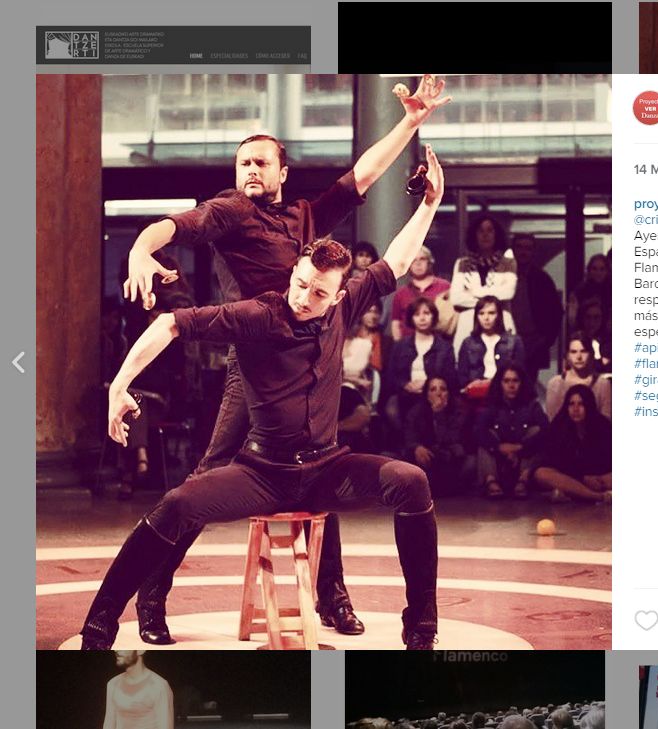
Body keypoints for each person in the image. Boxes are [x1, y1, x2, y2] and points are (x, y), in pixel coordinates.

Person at [118, 74, 451, 643]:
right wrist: (138, 250)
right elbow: (174, 225)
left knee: (320, 460)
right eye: (243, 163)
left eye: (261, 163)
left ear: (282, 172)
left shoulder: (304, 219)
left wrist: (411, 123)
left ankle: (334, 600)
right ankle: (153, 595)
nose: (250, 170)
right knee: (202, 482)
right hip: (251, 370)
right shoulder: (229, 212)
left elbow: (363, 174)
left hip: (305, 362)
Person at [476, 364, 547, 499]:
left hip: (523, 458)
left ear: (521, 383)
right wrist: (498, 447)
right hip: (498, 459)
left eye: (515, 381)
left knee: (535, 430)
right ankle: (491, 482)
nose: (511, 385)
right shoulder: (493, 404)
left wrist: (520, 448)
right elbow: (479, 430)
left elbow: (546, 430)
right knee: (486, 435)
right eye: (507, 381)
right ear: (500, 383)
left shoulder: (532, 405)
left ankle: (523, 481)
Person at [383, 296, 456, 427]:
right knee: (393, 409)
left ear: (433, 316)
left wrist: (427, 384)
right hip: (405, 395)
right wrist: (406, 385)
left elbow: (450, 377)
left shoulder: (445, 347)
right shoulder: (400, 346)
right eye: (417, 314)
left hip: (434, 394)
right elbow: (391, 376)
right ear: (411, 318)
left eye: (426, 313)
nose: (422, 318)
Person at [449, 215, 517, 356]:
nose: (485, 235)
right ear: (474, 235)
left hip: (500, 325)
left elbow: (508, 293)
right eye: (480, 231)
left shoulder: (508, 263)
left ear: (496, 234)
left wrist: (474, 292)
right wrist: (492, 300)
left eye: (490, 230)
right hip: (468, 325)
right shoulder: (462, 263)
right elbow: (456, 298)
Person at [534, 385, 611, 503]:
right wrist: (581, 477)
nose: (575, 409)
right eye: (571, 404)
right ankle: (598, 497)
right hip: (572, 478)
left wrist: (597, 478)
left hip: (599, 477)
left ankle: (574, 494)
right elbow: (554, 460)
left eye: (581, 404)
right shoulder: (559, 426)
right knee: (542, 474)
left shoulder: (603, 426)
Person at [403, 376, 472, 496]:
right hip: (425, 458)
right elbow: (409, 434)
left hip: (450, 458)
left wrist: (439, 415)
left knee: (470, 464)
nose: (438, 393)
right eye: (433, 389)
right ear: (427, 394)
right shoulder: (417, 411)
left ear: (449, 393)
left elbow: (452, 440)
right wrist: (416, 447)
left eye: (443, 389)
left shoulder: (459, 410)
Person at [509, 233, 563, 388]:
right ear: (512, 250)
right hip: (507, 341)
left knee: (528, 388)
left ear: (533, 252)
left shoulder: (542, 279)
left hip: (533, 344)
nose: (523, 252)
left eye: (528, 248)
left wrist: (545, 341)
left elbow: (556, 313)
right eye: (519, 247)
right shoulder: (503, 277)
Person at [457, 296, 525, 399]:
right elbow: (462, 376)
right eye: (481, 313)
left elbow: (520, 373)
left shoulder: (514, 341)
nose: (486, 318)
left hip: (505, 394)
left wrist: (493, 383)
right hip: (475, 395)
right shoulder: (468, 343)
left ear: (499, 315)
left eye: (491, 313)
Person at [389, 246, 451, 341]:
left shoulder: (445, 287)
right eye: (413, 260)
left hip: (439, 348)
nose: (418, 263)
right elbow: (396, 324)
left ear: (430, 262)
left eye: (422, 259)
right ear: (408, 265)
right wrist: (399, 348)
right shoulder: (401, 294)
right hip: (408, 349)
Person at [545, 333, 611, 421]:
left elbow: (606, 421)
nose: (579, 357)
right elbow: (552, 421)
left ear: (591, 354)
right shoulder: (555, 384)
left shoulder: (602, 384)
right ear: (567, 355)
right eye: (573, 352)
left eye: (583, 351)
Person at [103, 650, 173, 729]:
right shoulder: (113, 684)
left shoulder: (158, 685)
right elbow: (109, 723)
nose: (116, 650)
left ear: (141, 650)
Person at [567, 254, 610, 332]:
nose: (598, 272)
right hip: (584, 333)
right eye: (594, 269)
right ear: (589, 270)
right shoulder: (579, 291)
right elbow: (572, 319)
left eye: (602, 269)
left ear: (607, 271)